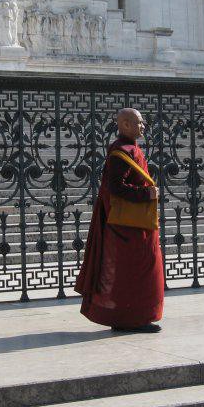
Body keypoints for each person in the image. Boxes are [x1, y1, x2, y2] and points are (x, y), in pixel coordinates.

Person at [75, 107, 164, 333]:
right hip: (129, 226)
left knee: (130, 272)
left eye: (142, 122)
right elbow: (116, 187)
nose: (143, 126)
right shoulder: (123, 151)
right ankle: (133, 319)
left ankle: (126, 317)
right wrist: (147, 194)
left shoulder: (128, 149)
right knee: (137, 271)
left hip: (130, 224)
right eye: (139, 122)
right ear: (125, 124)